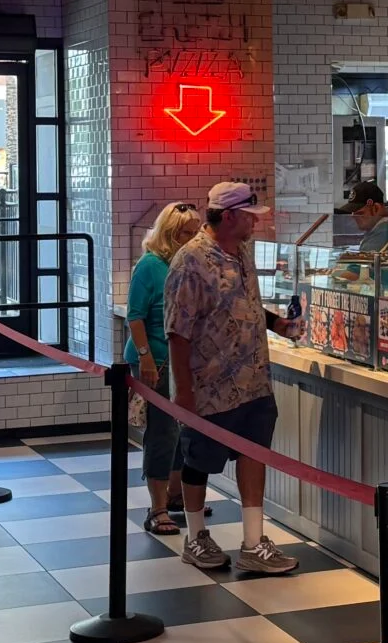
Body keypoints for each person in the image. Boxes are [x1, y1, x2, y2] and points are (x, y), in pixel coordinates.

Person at [163, 180, 300, 577]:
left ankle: (254, 543)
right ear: (228, 217)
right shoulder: (190, 262)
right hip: (209, 387)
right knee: (198, 461)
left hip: (254, 381)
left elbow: (250, 307)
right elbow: (178, 331)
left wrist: (280, 326)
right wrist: (184, 392)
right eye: (249, 217)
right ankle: (196, 537)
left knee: (254, 454)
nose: (255, 224)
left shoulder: (241, 253)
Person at [126, 201, 201, 537]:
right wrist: (145, 357)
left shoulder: (187, 263)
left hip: (180, 358)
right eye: (188, 233)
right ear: (171, 233)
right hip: (155, 358)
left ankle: (173, 495)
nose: (194, 237)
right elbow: (135, 315)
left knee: (181, 432)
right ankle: (156, 508)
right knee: (162, 433)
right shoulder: (150, 265)